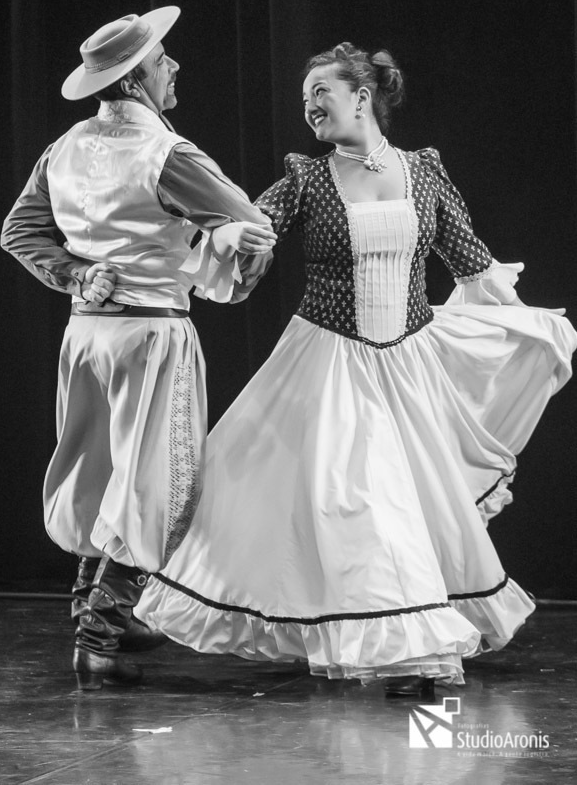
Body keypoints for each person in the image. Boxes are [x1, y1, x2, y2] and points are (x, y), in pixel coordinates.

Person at [136, 41, 577, 697]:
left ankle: (412, 645)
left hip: (408, 366)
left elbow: (471, 262)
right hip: (329, 363)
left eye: (322, 91)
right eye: (304, 97)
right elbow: (250, 226)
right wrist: (229, 240)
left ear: (362, 97)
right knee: (360, 504)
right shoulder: (307, 179)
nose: (309, 105)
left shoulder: (424, 171)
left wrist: (525, 323)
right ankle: (405, 648)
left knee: (403, 506)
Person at [0, 6, 275, 690]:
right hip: (149, 334)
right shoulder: (167, 154)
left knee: (99, 472)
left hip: (86, 336)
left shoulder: (64, 147)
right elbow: (252, 229)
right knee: (155, 480)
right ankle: (99, 633)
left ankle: (98, 616)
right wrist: (222, 252)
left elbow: (20, 231)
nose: (173, 66)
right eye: (161, 60)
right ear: (133, 80)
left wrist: (75, 272)